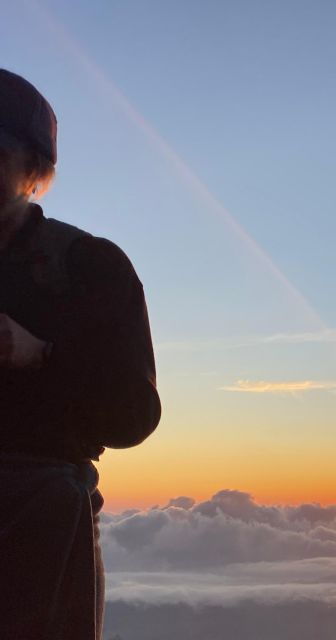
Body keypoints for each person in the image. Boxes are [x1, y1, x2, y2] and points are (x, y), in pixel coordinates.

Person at [0, 69, 161, 638]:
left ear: (34, 168)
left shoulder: (89, 266)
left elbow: (133, 416)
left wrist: (39, 353)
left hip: (35, 521)